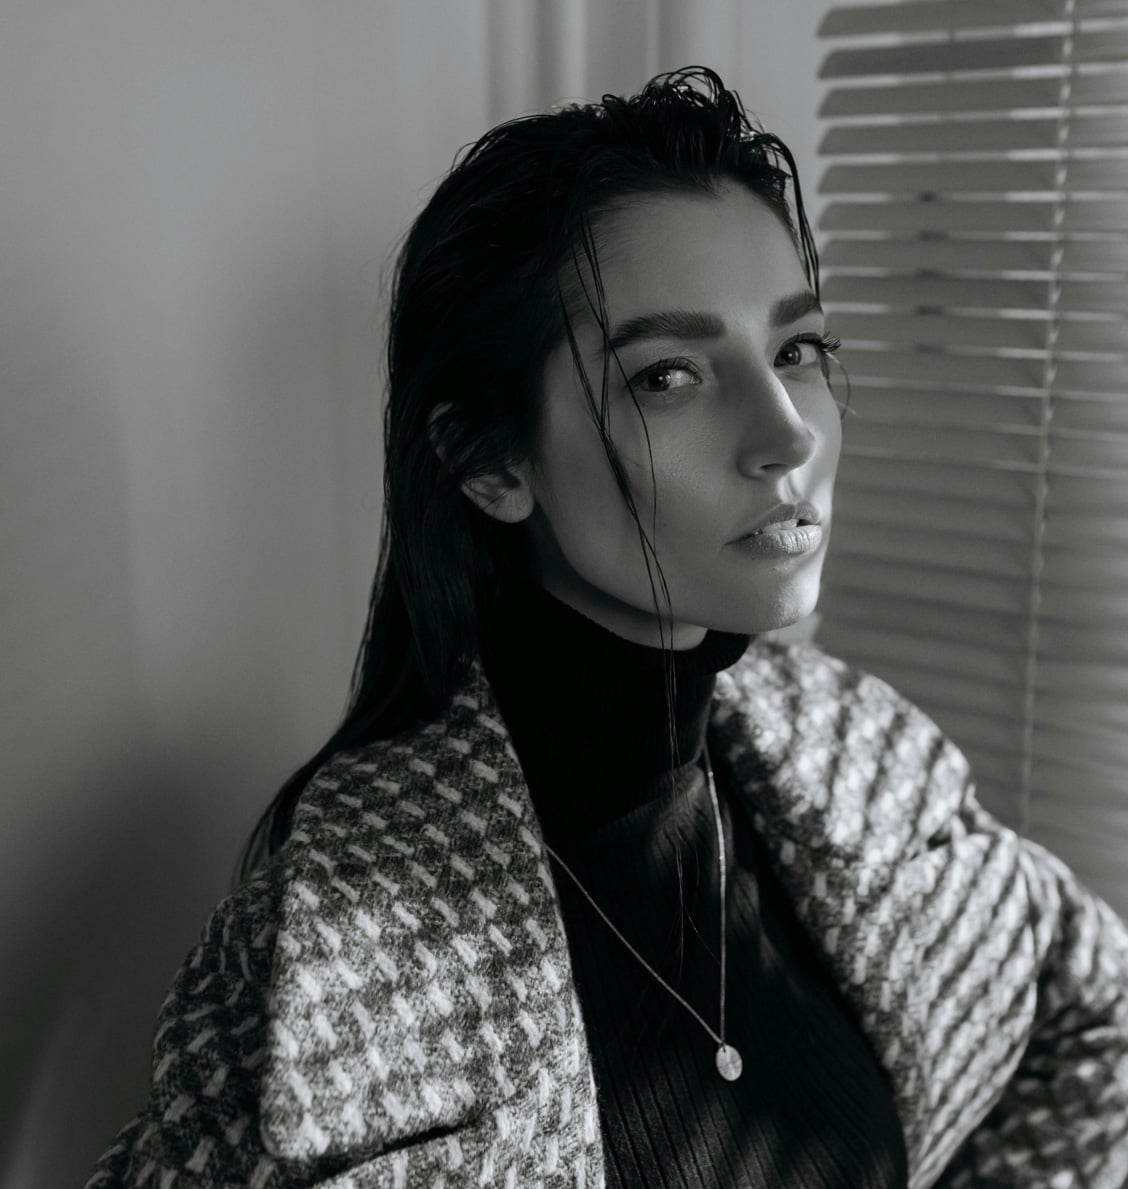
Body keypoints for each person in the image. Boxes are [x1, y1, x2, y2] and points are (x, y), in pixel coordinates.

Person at [88, 67, 1128, 1189]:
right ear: (489, 463)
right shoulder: (320, 959)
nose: (788, 434)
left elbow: (1093, 1021)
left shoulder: (865, 766)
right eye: (669, 375)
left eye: (797, 349)